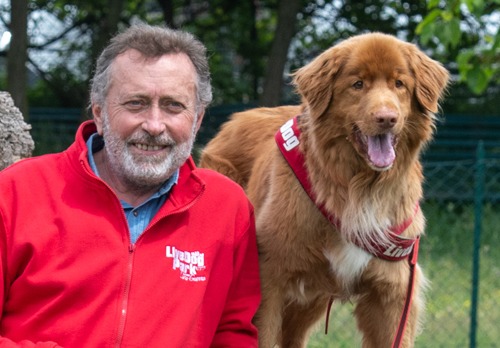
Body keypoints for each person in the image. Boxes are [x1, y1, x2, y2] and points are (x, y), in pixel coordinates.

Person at [0, 24, 261, 347]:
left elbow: (234, 333)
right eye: (136, 103)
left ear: (197, 120)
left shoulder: (227, 207)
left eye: (173, 106)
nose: (154, 125)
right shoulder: (15, 192)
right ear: (99, 112)